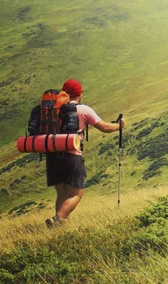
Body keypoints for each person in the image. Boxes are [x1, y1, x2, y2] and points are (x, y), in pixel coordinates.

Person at [45, 78, 125, 227]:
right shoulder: (83, 110)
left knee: (62, 194)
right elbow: (104, 128)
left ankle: (59, 228)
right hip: (71, 156)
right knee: (76, 193)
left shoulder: (54, 109)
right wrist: (118, 126)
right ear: (79, 94)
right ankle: (58, 220)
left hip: (53, 156)